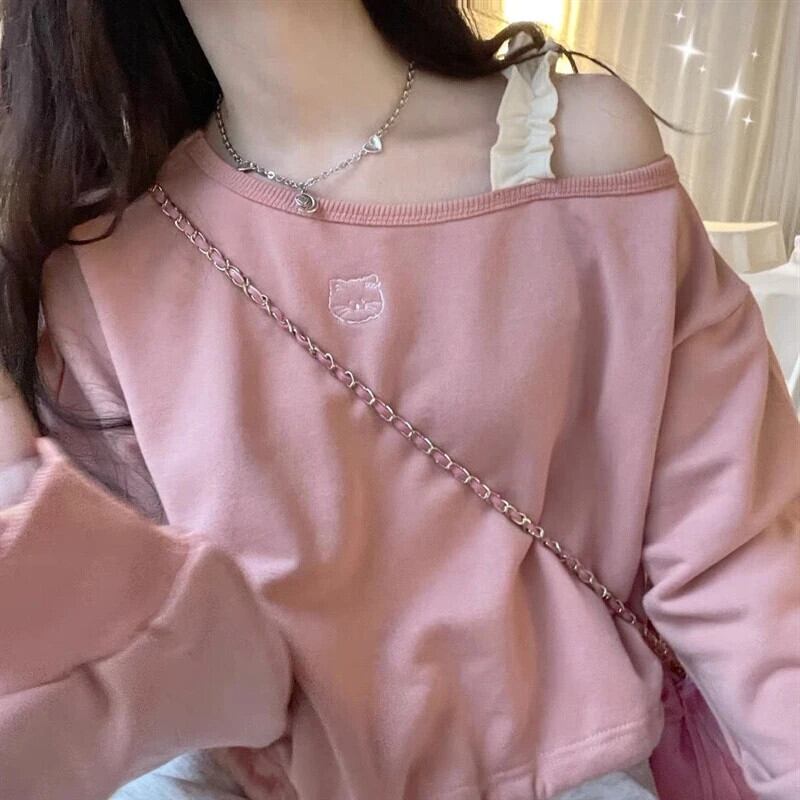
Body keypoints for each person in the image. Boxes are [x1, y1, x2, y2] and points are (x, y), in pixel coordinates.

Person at [1, 2, 798, 799]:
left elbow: (740, 556)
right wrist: (24, 496)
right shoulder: (104, 277)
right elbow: (154, 684)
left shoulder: (574, 152)